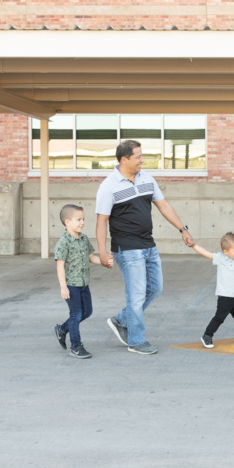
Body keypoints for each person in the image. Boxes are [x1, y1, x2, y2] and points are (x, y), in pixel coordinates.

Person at [95, 140, 195, 355]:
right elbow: (101, 221)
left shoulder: (147, 178)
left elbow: (163, 205)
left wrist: (183, 229)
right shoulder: (109, 185)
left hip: (148, 244)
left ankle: (121, 320)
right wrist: (103, 252)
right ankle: (136, 340)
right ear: (124, 159)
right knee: (137, 294)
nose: (142, 160)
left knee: (155, 289)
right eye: (138, 157)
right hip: (127, 247)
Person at [189, 231, 234, 348]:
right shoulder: (220, 258)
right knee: (219, 317)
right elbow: (207, 253)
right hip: (225, 296)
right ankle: (207, 335)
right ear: (226, 251)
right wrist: (194, 245)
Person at [53, 204, 103, 359]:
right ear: (67, 222)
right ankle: (76, 346)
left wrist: (104, 261)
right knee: (76, 314)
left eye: (83, 219)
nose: (82, 222)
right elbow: (60, 265)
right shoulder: (63, 242)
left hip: (83, 284)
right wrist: (63, 287)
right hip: (71, 285)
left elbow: (91, 257)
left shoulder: (83, 239)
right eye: (78, 219)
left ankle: (62, 329)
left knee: (87, 312)